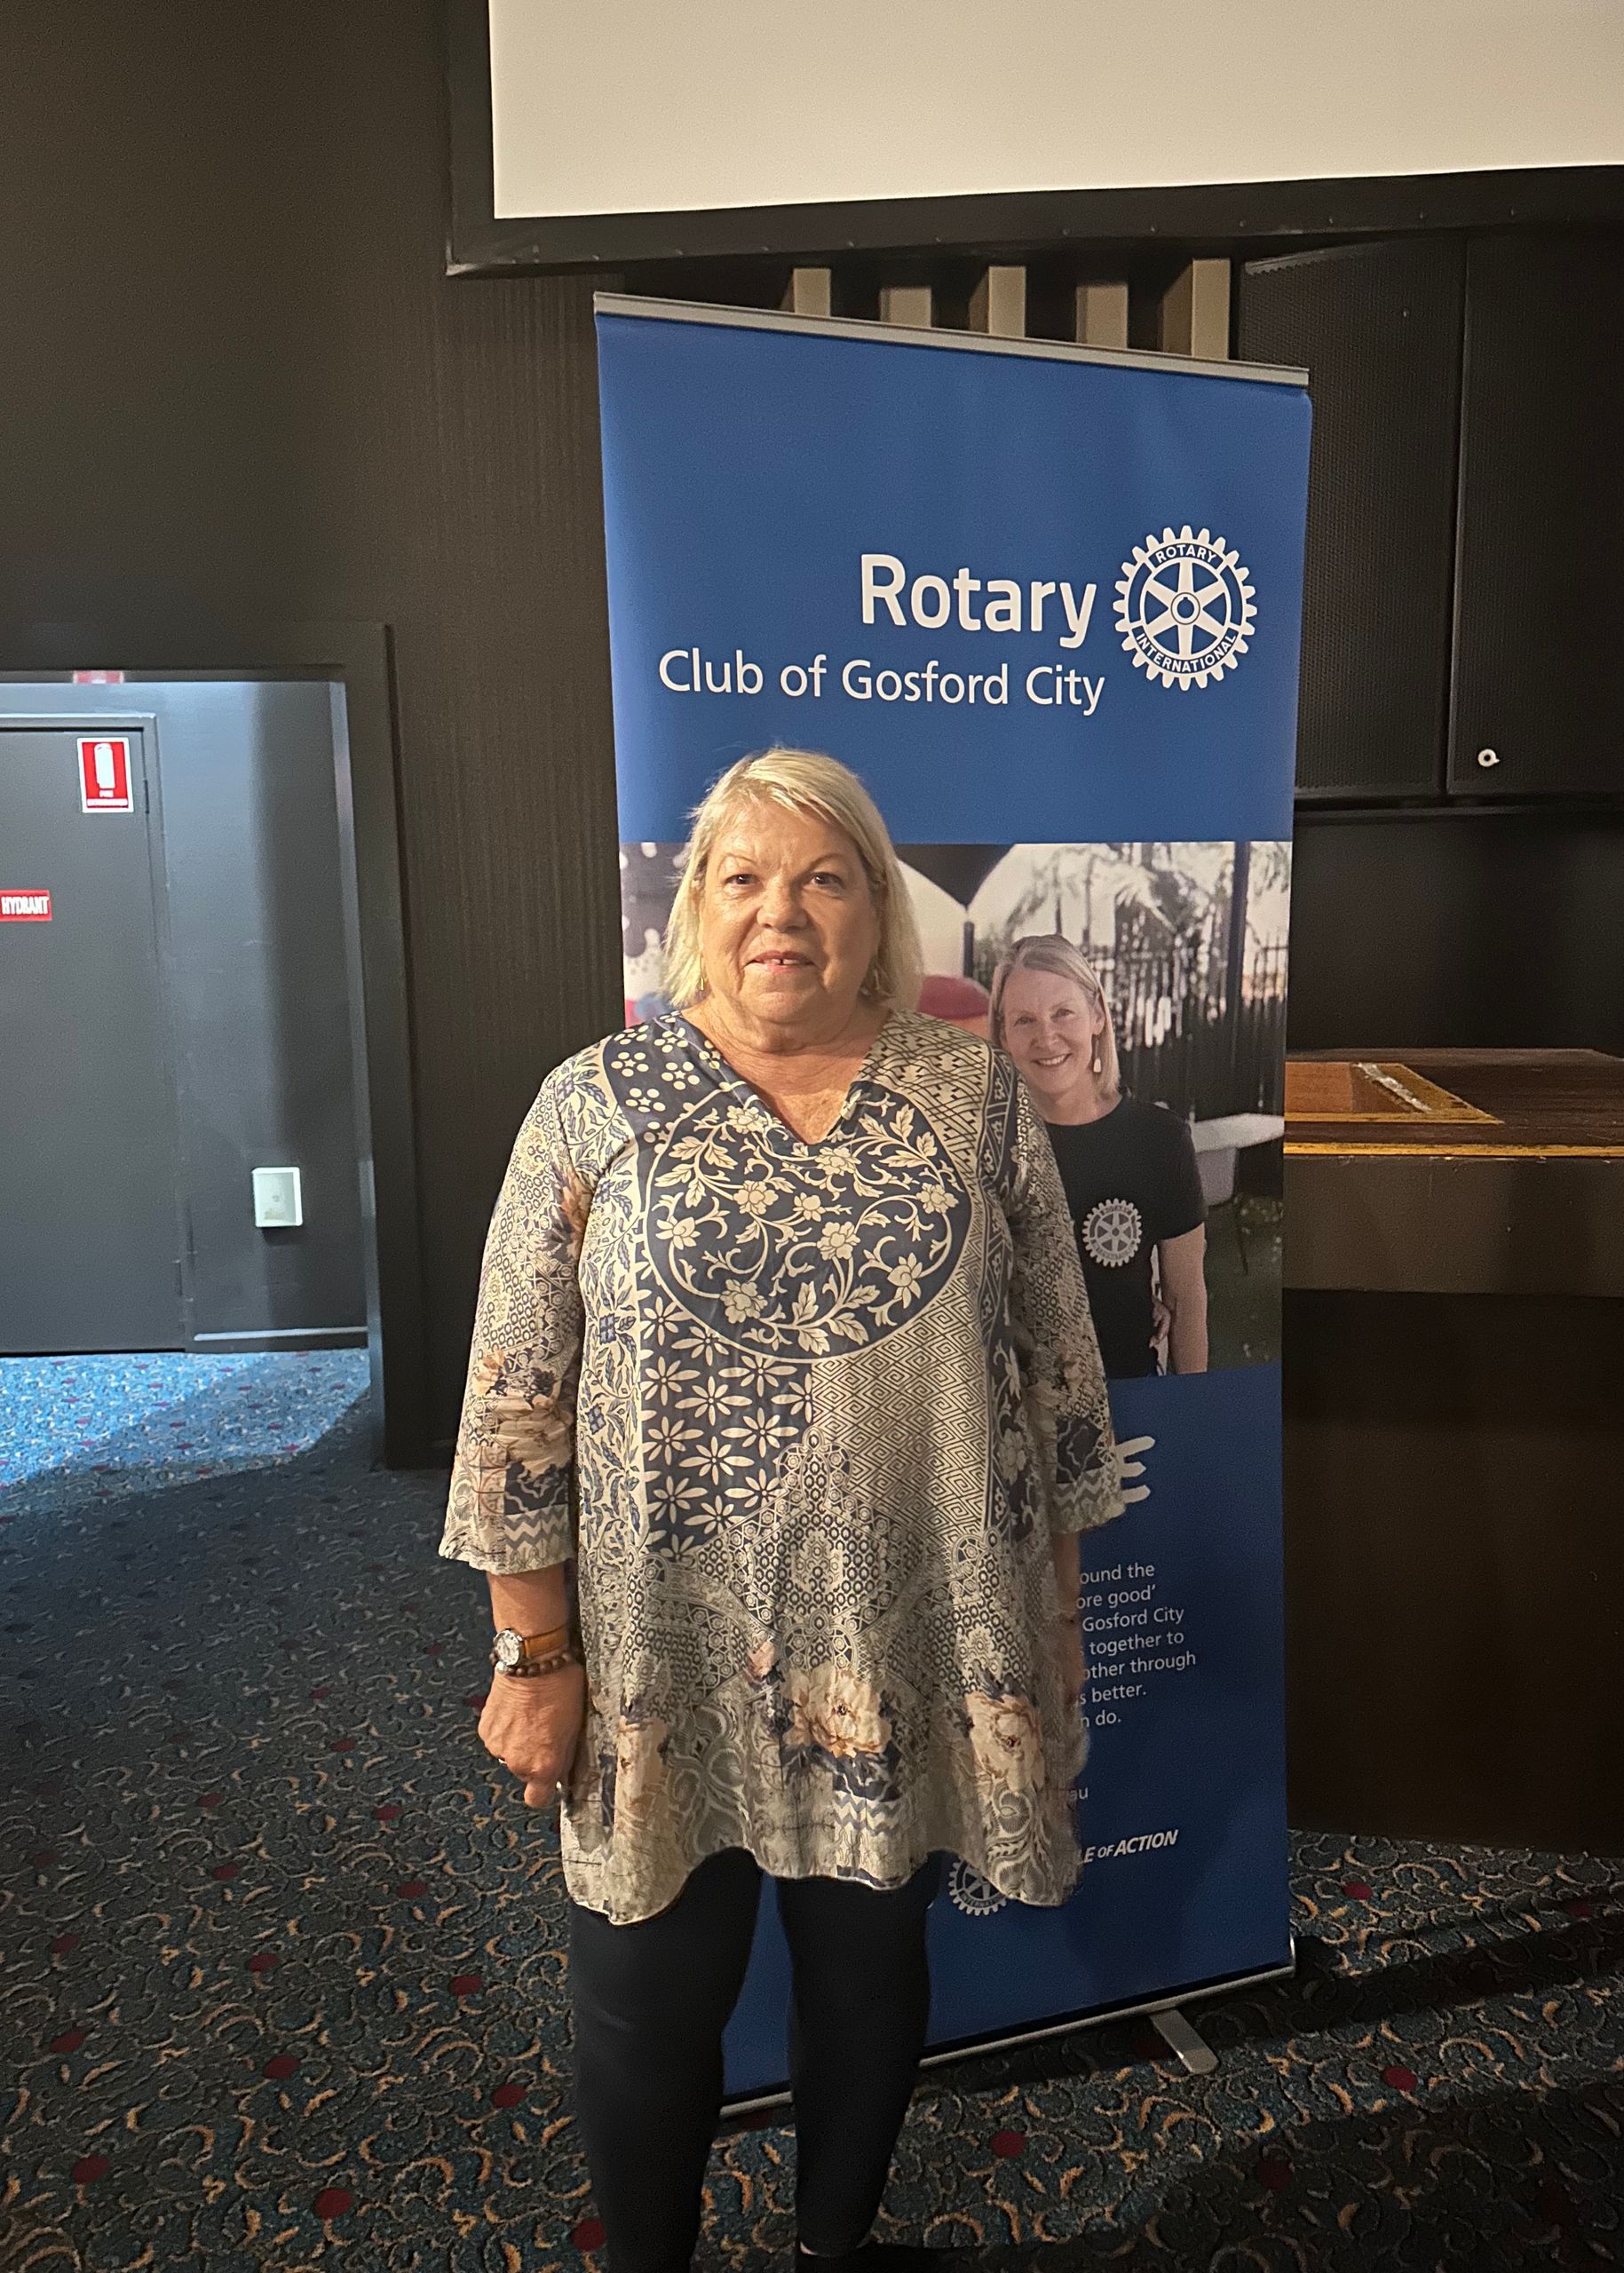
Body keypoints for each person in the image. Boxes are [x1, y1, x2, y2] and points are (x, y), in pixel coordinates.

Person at [440, 749, 1122, 2273]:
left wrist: (1060, 1618)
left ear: (878, 913)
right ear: (697, 908)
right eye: (742, 879)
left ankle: (833, 2248)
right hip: (654, 1663)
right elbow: (512, 1401)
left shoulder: (977, 1099)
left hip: (909, 1647)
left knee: (869, 1973)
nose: (782, 915)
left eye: (823, 880)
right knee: (643, 1996)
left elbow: (1061, 1377)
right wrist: (532, 1657)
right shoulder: (592, 1109)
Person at [989, 934, 1208, 1378]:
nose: (1046, 1038)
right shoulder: (984, 1145)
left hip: (1130, 1407)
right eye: (1025, 1020)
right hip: (1016, 1414)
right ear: (1004, 1036)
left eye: (1062, 1013)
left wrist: (1192, 1417)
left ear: (1097, 1016)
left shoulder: (1159, 1140)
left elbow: (1186, 1300)